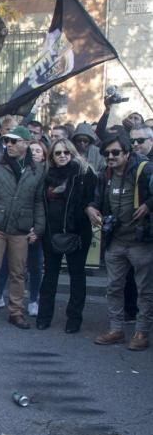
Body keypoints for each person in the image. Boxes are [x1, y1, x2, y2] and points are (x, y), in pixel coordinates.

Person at [85, 130, 153, 351]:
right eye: (107, 153)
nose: (111, 157)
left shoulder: (144, 170)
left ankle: (141, 333)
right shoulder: (105, 174)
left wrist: (148, 205)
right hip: (115, 241)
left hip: (141, 241)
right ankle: (116, 330)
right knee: (114, 287)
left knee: (145, 290)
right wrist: (91, 209)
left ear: (127, 152)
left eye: (115, 152)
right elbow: (94, 200)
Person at [0, 125, 45, 330]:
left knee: (18, 273)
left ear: (26, 144)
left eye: (14, 141)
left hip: (20, 228)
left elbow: (39, 201)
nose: (9, 145)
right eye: (6, 141)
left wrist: (38, 227)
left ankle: (16, 312)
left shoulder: (37, 169)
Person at [36, 139, 97, 333]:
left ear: (72, 153)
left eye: (66, 152)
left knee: (77, 276)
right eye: (58, 153)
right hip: (51, 231)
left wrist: (90, 208)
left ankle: (74, 319)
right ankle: (44, 317)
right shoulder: (45, 175)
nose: (62, 155)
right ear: (52, 156)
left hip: (77, 232)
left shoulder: (84, 173)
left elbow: (93, 198)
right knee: (50, 276)